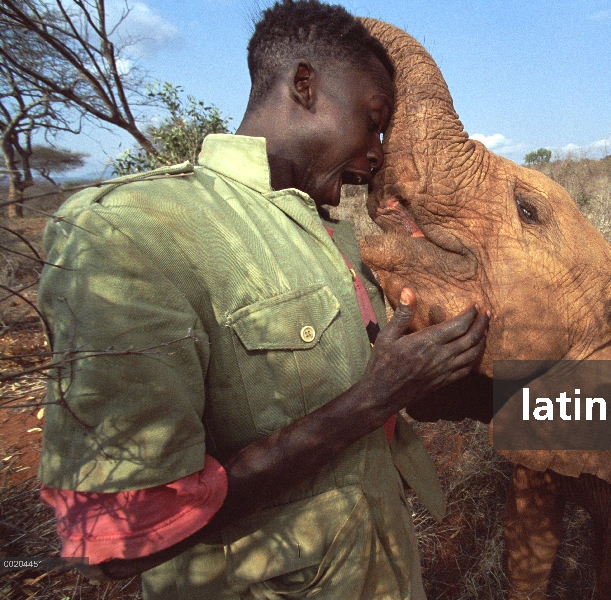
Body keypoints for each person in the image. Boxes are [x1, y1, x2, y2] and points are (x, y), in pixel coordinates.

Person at [36, 1, 489, 598]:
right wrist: (374, 397)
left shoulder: (329, 237)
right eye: (373, 119)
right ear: (305, 85)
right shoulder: (132, 230)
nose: (378, 150)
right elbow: (121, 534)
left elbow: (384, 395)